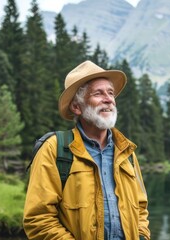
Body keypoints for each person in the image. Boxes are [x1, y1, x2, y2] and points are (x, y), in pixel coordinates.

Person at [23, 60, 151, 240]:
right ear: (77, 107)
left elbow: (141, 208)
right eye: (98, 93)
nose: (108, 99)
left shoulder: (126, 151)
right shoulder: (54, 149)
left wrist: (142, 236)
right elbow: (38, 219)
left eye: (111, 93)